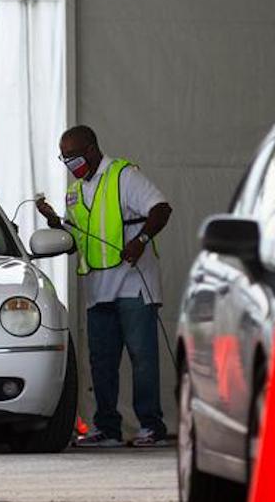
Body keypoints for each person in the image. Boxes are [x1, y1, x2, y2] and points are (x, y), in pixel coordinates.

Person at [37, 125, 173, 448]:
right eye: (64, 157)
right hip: (98, 291)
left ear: (93, 149)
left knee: (142, 358)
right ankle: (107, 428)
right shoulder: (74, 192)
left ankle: (151, 426)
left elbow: (161, 209)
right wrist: (57, 223)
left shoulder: (123, 176)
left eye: (73, 155)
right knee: (101, 362)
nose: (70, 162)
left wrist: (140, 240)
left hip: (133, 285)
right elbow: (78, 242)